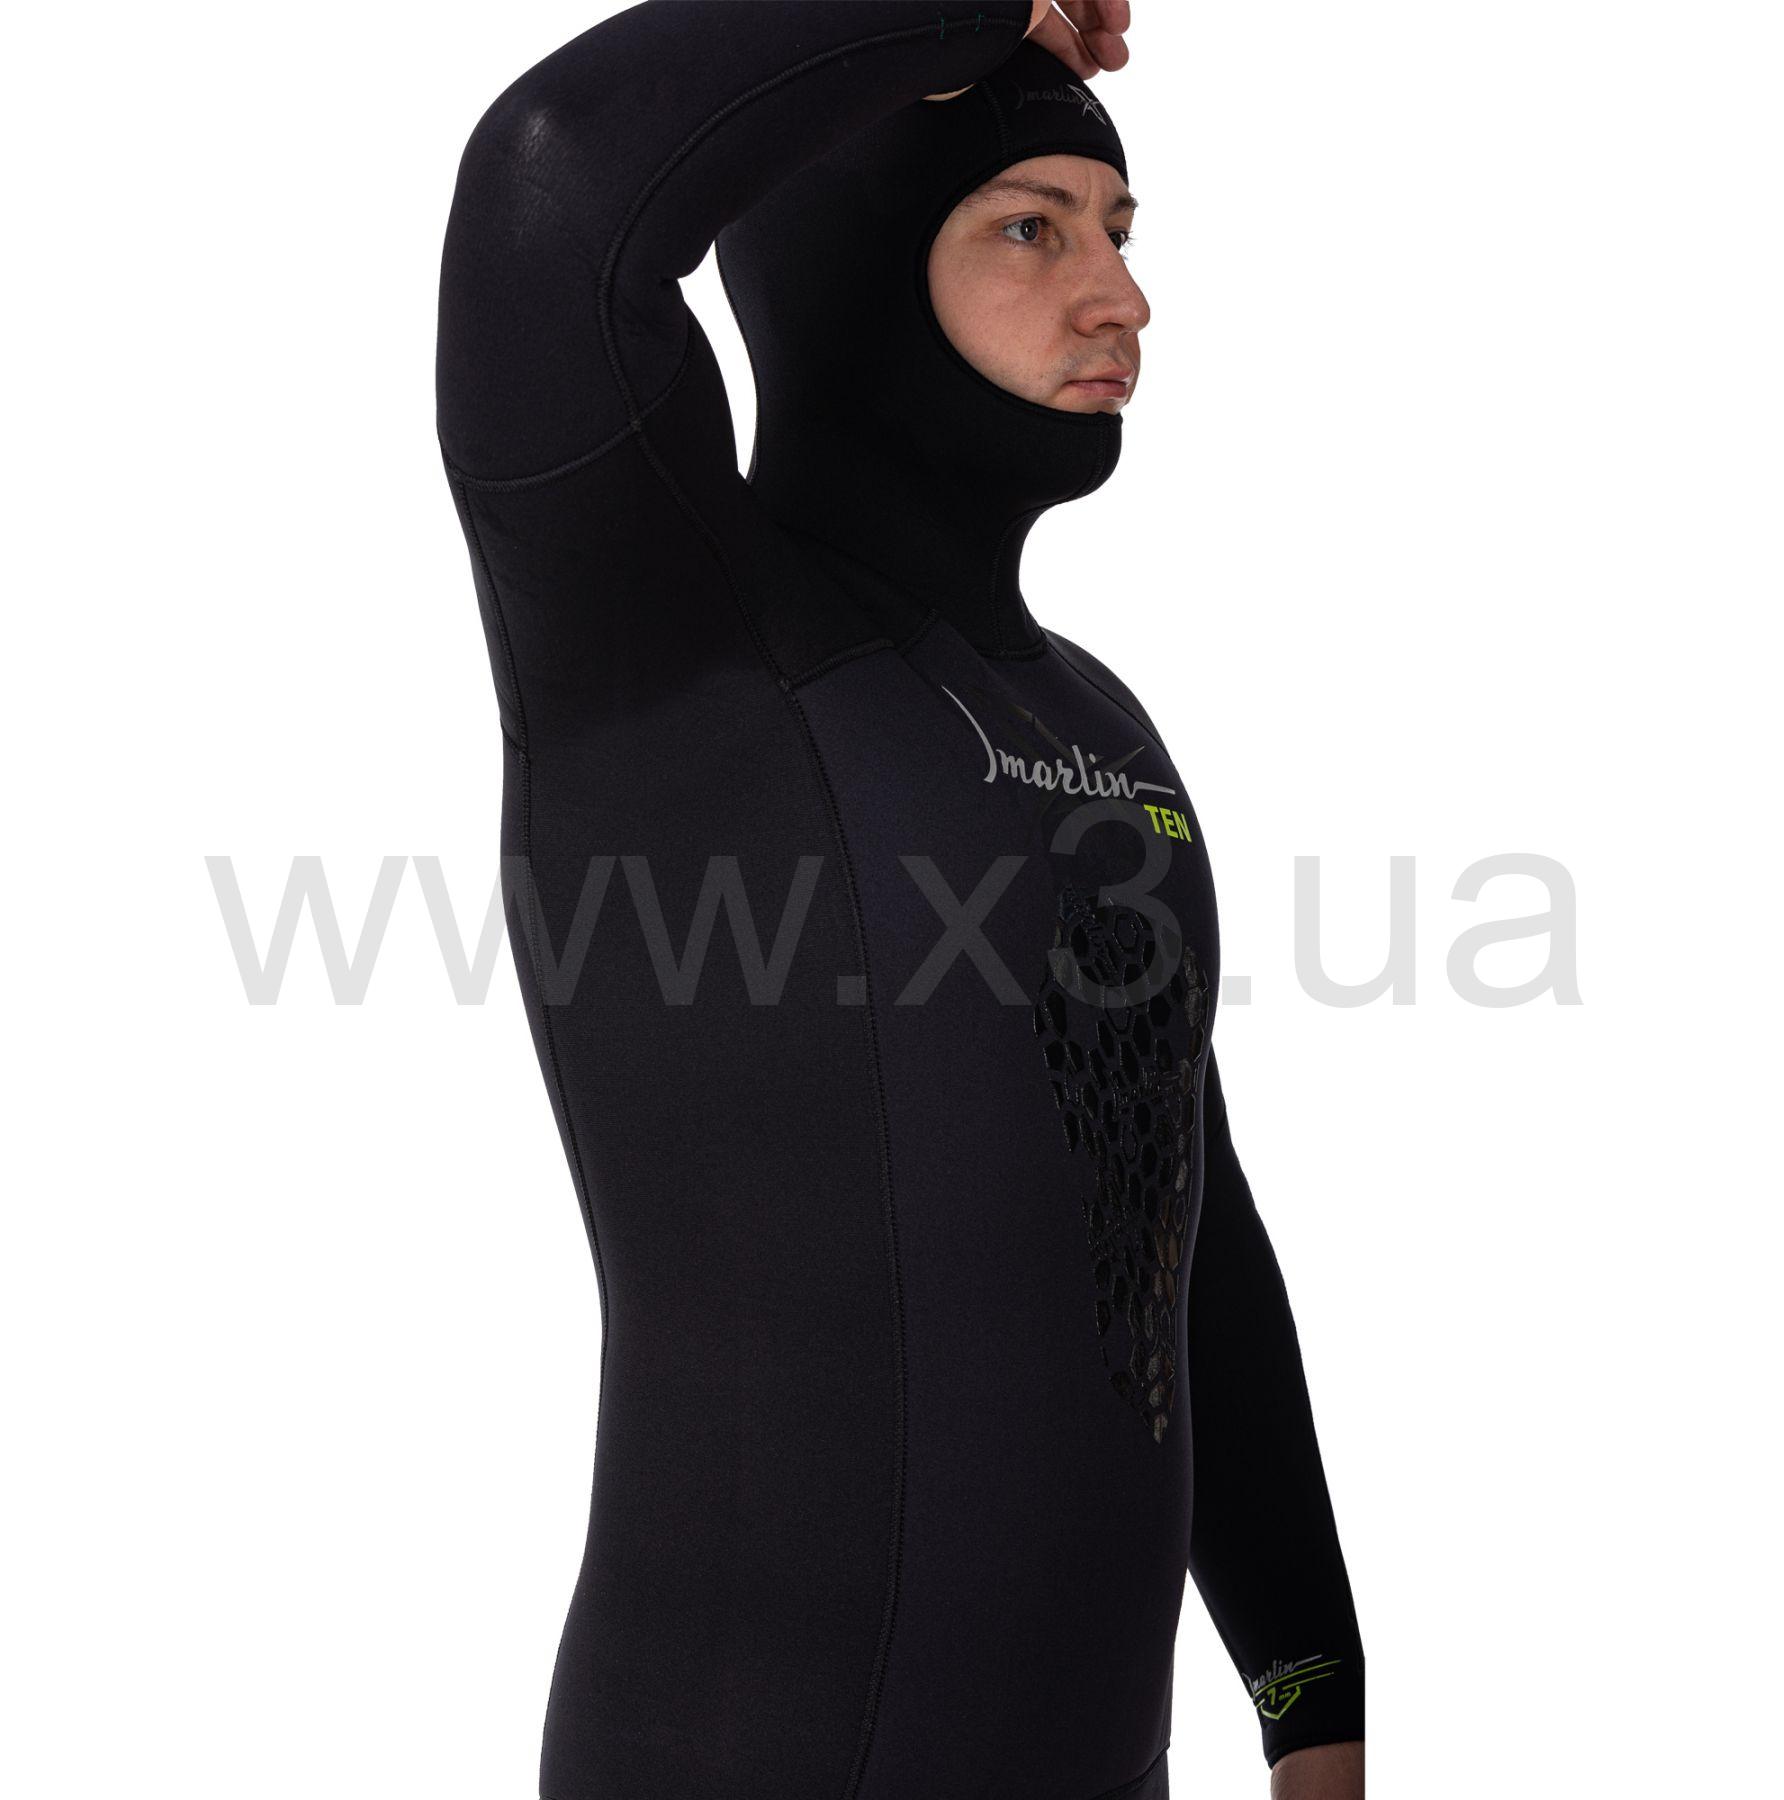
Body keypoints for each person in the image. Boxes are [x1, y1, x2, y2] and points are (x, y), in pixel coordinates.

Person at [435, 4, 1365, 1796]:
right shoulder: (662, 624)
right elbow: (551, 178)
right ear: (850, 258)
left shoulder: (1098, 723)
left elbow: (1181, 1243)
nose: (1121, 297)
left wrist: (1313, 1693)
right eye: (1031, 226)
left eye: (1119, 229)